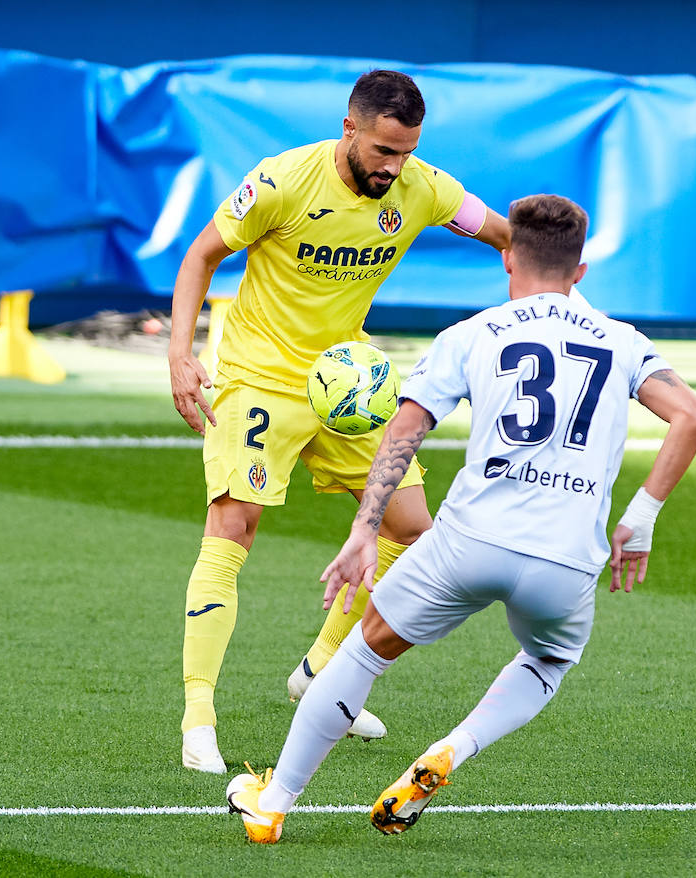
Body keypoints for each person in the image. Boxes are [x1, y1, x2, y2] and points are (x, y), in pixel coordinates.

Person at [225, 193, 696, 843]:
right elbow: (693, 417)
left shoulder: (472, 334)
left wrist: (365, 528)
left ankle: (275, 801)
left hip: (469, 542)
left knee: (365, 650)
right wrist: (642, 518)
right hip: (566, 558)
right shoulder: (621, 342)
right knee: (547, 660)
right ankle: (452, 748)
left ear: (507, 258)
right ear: (582, 272)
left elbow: (405, 430)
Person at [168, 70, 511, 773]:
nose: (394, 166)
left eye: (406, 152)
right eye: (383, 150)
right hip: (260, 375)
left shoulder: (424, 188)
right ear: (349, 129)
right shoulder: (281, 182)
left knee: (412, 531)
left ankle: (319, 672)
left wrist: (553, 280)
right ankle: (198, 715)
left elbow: (508, 238)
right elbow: (201, 255)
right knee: (234, 524)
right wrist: (180, 353)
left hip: (346, 385)